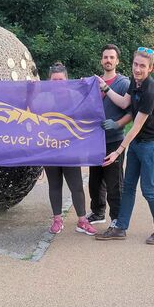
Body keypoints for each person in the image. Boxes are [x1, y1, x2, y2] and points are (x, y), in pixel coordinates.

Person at [95, 47, 154, 245]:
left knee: (147, 188)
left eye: (142, 66)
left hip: (151, 143)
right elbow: (123, 102)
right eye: (135, 64)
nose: (137, 69)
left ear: (151, 68)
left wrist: (117, 151)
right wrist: (105, 88)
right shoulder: (134, 83)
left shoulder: (150, 91)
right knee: (128, 187)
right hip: (137, 143)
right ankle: (120, 227)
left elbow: (135, 127)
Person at [44, 62, 97, 236]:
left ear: (67, 80)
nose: (58, 82)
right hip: (49, 148)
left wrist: (85, 89)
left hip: (70, 149)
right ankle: (57, 220)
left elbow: (89, 110)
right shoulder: (42, 97)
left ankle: (82, 221)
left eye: (61, 79)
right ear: (49, 81)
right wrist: (30, 91)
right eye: (54, 80)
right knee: (55, 185)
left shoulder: (75, 96)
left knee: (76, 186)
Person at [87, 44, 131, 227]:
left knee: (114, 182)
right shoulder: (92, 83)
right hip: (94, 140)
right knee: (95, 181)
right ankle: (98, 212)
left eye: (112, 57)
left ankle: (117, 217)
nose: (108, 60)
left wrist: (117, 124)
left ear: (117, 61)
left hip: (114, 140)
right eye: (105, 57)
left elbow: (131, 112)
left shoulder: (124, 83)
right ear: (101, 60)